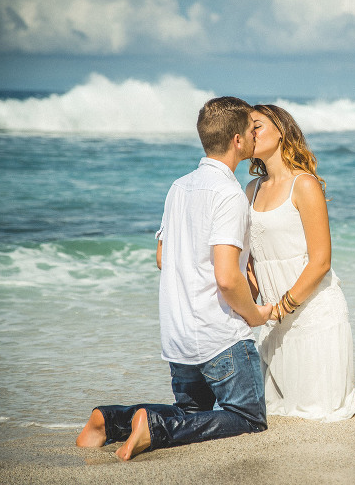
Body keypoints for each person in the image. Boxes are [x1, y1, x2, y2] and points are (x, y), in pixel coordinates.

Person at [76, 97, 274, 460]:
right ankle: (154, 426)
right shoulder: (229, 194)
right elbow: (227, 279)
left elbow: (162, 257)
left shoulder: (178, 187)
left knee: (194, 415)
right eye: (250, 130)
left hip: (178, 336)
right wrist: (256, 314)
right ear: (236, 140)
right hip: (220, 338)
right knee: (249, 418)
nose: (253, 136)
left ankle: (112, 419)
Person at [245, 104, 355, 422]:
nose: (250, 133)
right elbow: (253, 260)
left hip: (311, 312)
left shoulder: (304, 184)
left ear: (281, 131)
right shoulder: (252, 190)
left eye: (258, 126)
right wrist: (248, 309)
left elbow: (321, 262)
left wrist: (282, 307)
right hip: (274, 321)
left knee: (323, 412)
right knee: (277, 409)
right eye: (246, 129)